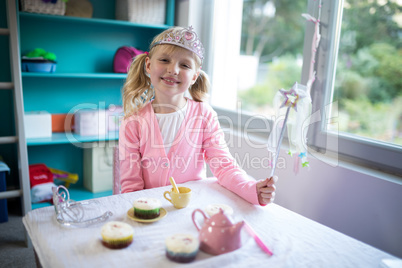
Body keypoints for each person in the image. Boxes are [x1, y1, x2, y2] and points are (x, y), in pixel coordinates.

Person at [119, 26, 276, 205]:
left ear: (194, 76)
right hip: (152, 211)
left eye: (184, 65)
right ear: (148, 65)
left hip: (193, 209)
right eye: (164, 60)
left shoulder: (204, 114)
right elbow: (131, 185)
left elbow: (224, 166)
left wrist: (251, 189)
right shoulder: (132, 122)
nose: (173, 70)